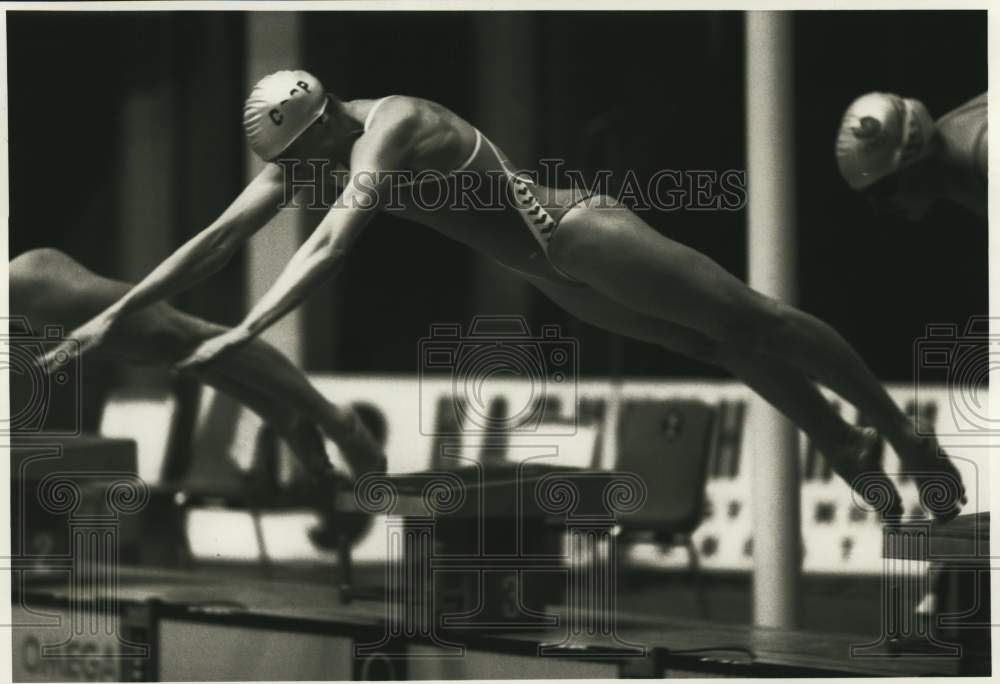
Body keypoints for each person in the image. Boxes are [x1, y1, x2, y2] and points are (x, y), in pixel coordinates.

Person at [42, 70, 967, 521]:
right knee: (720, 348)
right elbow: (211, 239)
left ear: (322, 120)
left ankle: (894, 427)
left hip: (579, 234)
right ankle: (840, 439)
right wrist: (106, 320)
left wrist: (247, 325)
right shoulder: (312, 153)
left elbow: (334, 237)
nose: (300, 177)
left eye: (302, 158)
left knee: (753, 320)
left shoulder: (387, 128)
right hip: (557, 279)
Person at [15, 247, 386, 483]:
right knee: (171, 352)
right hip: (26, 299)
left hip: (30, 286)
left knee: (188, 338)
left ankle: (336, 421)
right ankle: (284, 414)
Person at [836, 91, 987, 219]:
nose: (879, 208)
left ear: (912, 159)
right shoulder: (954, 167)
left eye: (881, 190)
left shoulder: (983, 152)